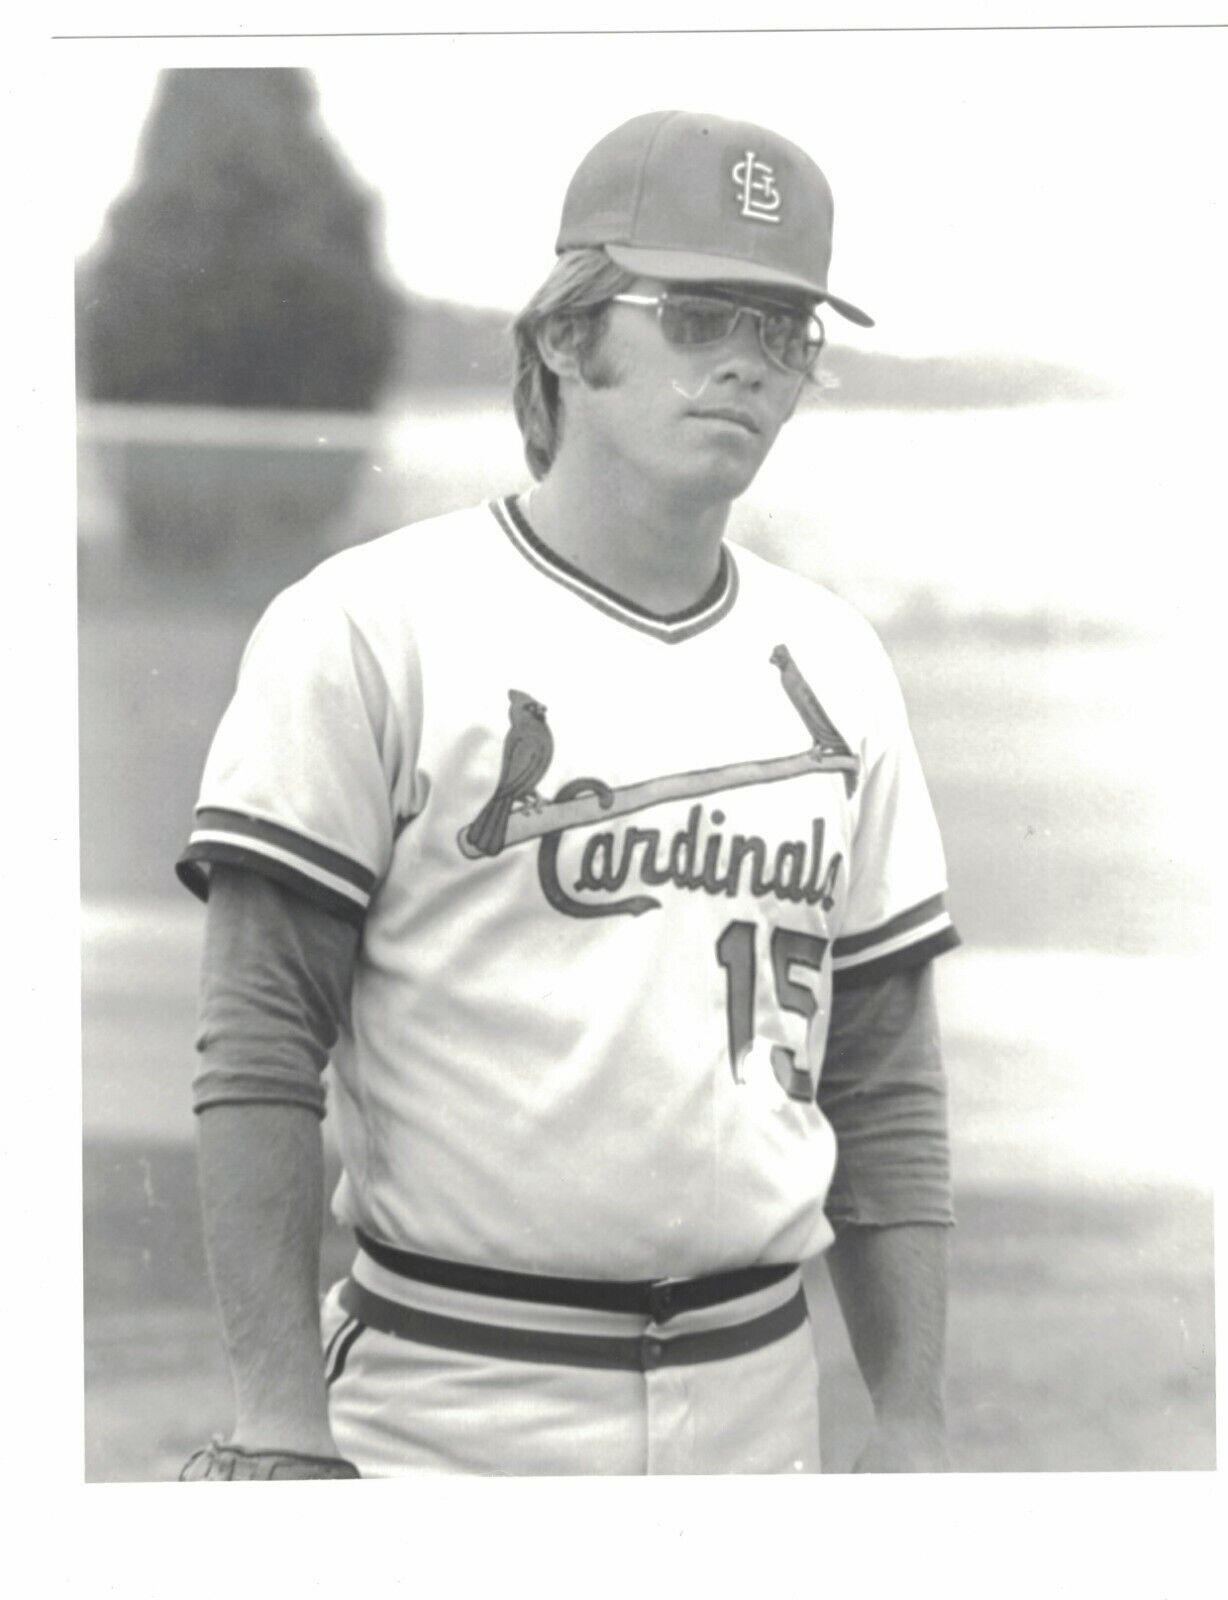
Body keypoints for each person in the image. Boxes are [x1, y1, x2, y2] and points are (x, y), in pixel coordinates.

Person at [176, 109, 960, 1480]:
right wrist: (279, 1419)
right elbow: (258, 1039)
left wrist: (912, 1421)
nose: (750, 369)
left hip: (758, 1397)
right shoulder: (373, 623)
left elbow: (882, 1077)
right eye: (705, 314)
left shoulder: (839, 659)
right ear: (563, 334)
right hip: (450, 1400)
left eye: (787, 332)